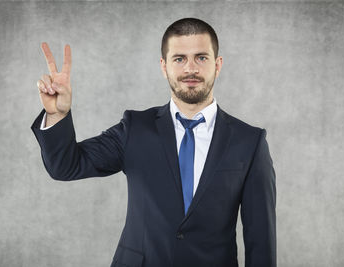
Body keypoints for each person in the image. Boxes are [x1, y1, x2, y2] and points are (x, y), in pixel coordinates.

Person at [31, 18, 276, 267]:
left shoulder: (250, 142)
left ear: (218, 64)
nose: (190, 69)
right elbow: (65, 166)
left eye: (201, 57)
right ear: (164, 66)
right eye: (179, 59)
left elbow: (261, 242)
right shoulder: (135, 128)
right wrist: (57, 114)